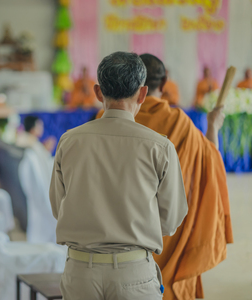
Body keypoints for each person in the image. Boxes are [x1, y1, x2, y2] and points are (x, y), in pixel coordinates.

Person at [50, 52, 188, 300]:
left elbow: (58, 207)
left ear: (98, 92)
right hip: (133, 272)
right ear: (143, 94)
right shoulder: (159, 147)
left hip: (80, 273)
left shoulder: (69, 141)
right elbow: (170, 221)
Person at [97, 53, 233, 300]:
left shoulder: (101, 122)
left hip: (108, 249)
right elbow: (210, 163)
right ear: (165, 82)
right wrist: (213, 126)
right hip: (164, 236)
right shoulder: (178, 122)